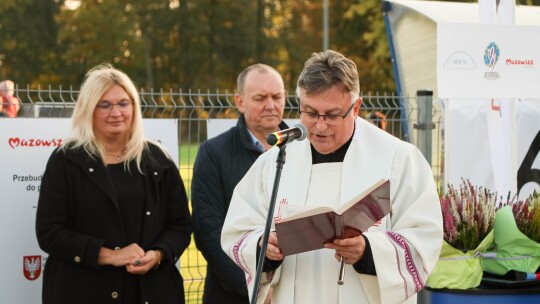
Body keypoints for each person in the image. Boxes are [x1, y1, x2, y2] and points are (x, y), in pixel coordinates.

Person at [221, 50, 443, 304]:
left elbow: (425, 237)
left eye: (332, 115)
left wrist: (368, 251)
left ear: (356, 107)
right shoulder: (276, 161)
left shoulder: (398, 159)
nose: (320, 126)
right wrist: (263, 248)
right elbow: (238, 230)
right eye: (310, 112)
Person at [35, 64, 193, 304]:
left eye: (123, 103)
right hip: (82, 292)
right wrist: (110, 255)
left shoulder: (158, 160)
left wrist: (158, 254)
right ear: (88, 110)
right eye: (104, 105)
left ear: (134, 106)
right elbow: (50, 233)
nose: (116, 112)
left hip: (151, 291)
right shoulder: (66, 161)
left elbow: (180, 226)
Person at [191, 63, 288, 303]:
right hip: (233, 294)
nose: (270, 105)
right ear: (240, 101)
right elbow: (209, 232)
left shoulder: (304, 149)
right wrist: (255, 288)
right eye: (260, 98)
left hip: (294, 290)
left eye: (276, 96)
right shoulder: (214, 153)